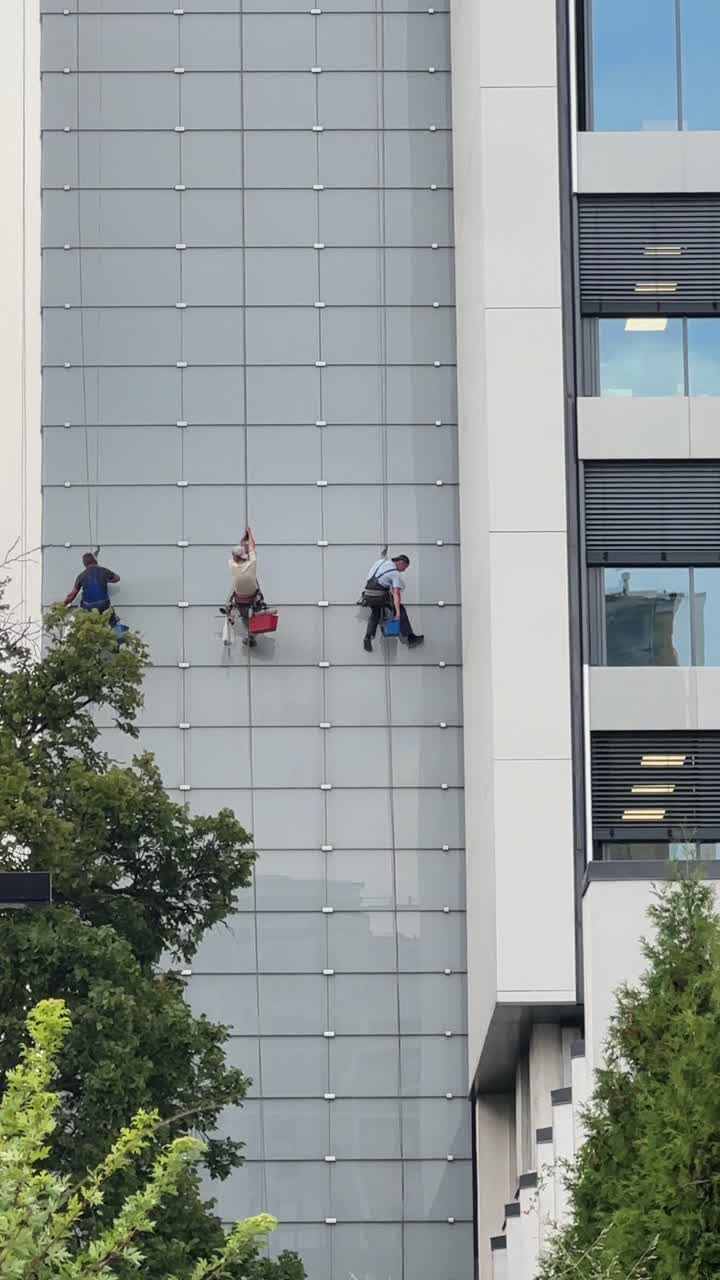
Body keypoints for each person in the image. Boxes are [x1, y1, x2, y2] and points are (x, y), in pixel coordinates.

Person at [361, 553, 424, 653]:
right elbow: (396, 594)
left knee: (375, 613)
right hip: (379, 595)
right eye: (404, 567)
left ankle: (367, 637)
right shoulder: (395, 573)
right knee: (399, 608)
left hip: (368, 595)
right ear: (401, 563)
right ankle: (410, 638)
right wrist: (398, 613)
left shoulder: (380, 561)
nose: (404, 570)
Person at [221, 528, 266, 647]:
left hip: (240, 599)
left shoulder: (232, 565)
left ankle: (230, 612)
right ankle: (251, 636)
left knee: (234, 587)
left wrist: (242, 542)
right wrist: (249, 534)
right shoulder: (252, 563)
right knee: (260, 617)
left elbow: (236, 556)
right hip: (252, 597)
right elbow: (252, 547)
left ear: (235, 557)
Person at [63, 552, 120, 624]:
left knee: (78, 618)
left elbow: (72, 595)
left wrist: (62, 606)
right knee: (111, 619)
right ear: (95, 561)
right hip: (104, 605)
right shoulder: (104, 571)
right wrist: (106, 580)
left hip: (88, 607)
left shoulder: (82, 575)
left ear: (84, 564)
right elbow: (117, 578)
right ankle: (112, 626)